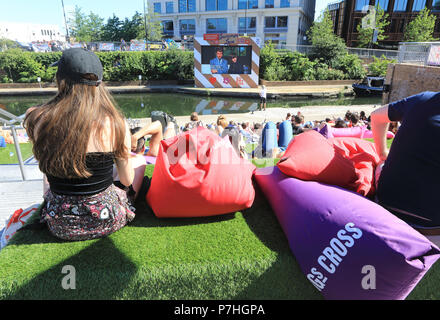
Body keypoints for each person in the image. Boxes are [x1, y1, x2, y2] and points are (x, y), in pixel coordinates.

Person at [24, 48, 135, 241]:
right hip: (106, 219)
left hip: (60, 223)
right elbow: (126, 181)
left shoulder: (36, 118)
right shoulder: (116, 122)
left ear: (61, 79)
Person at [371, 91, 440, 238]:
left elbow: (376, 116)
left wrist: (383, 153)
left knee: (381, 166)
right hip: (431, 224)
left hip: (386, 205)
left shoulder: (422, 99)